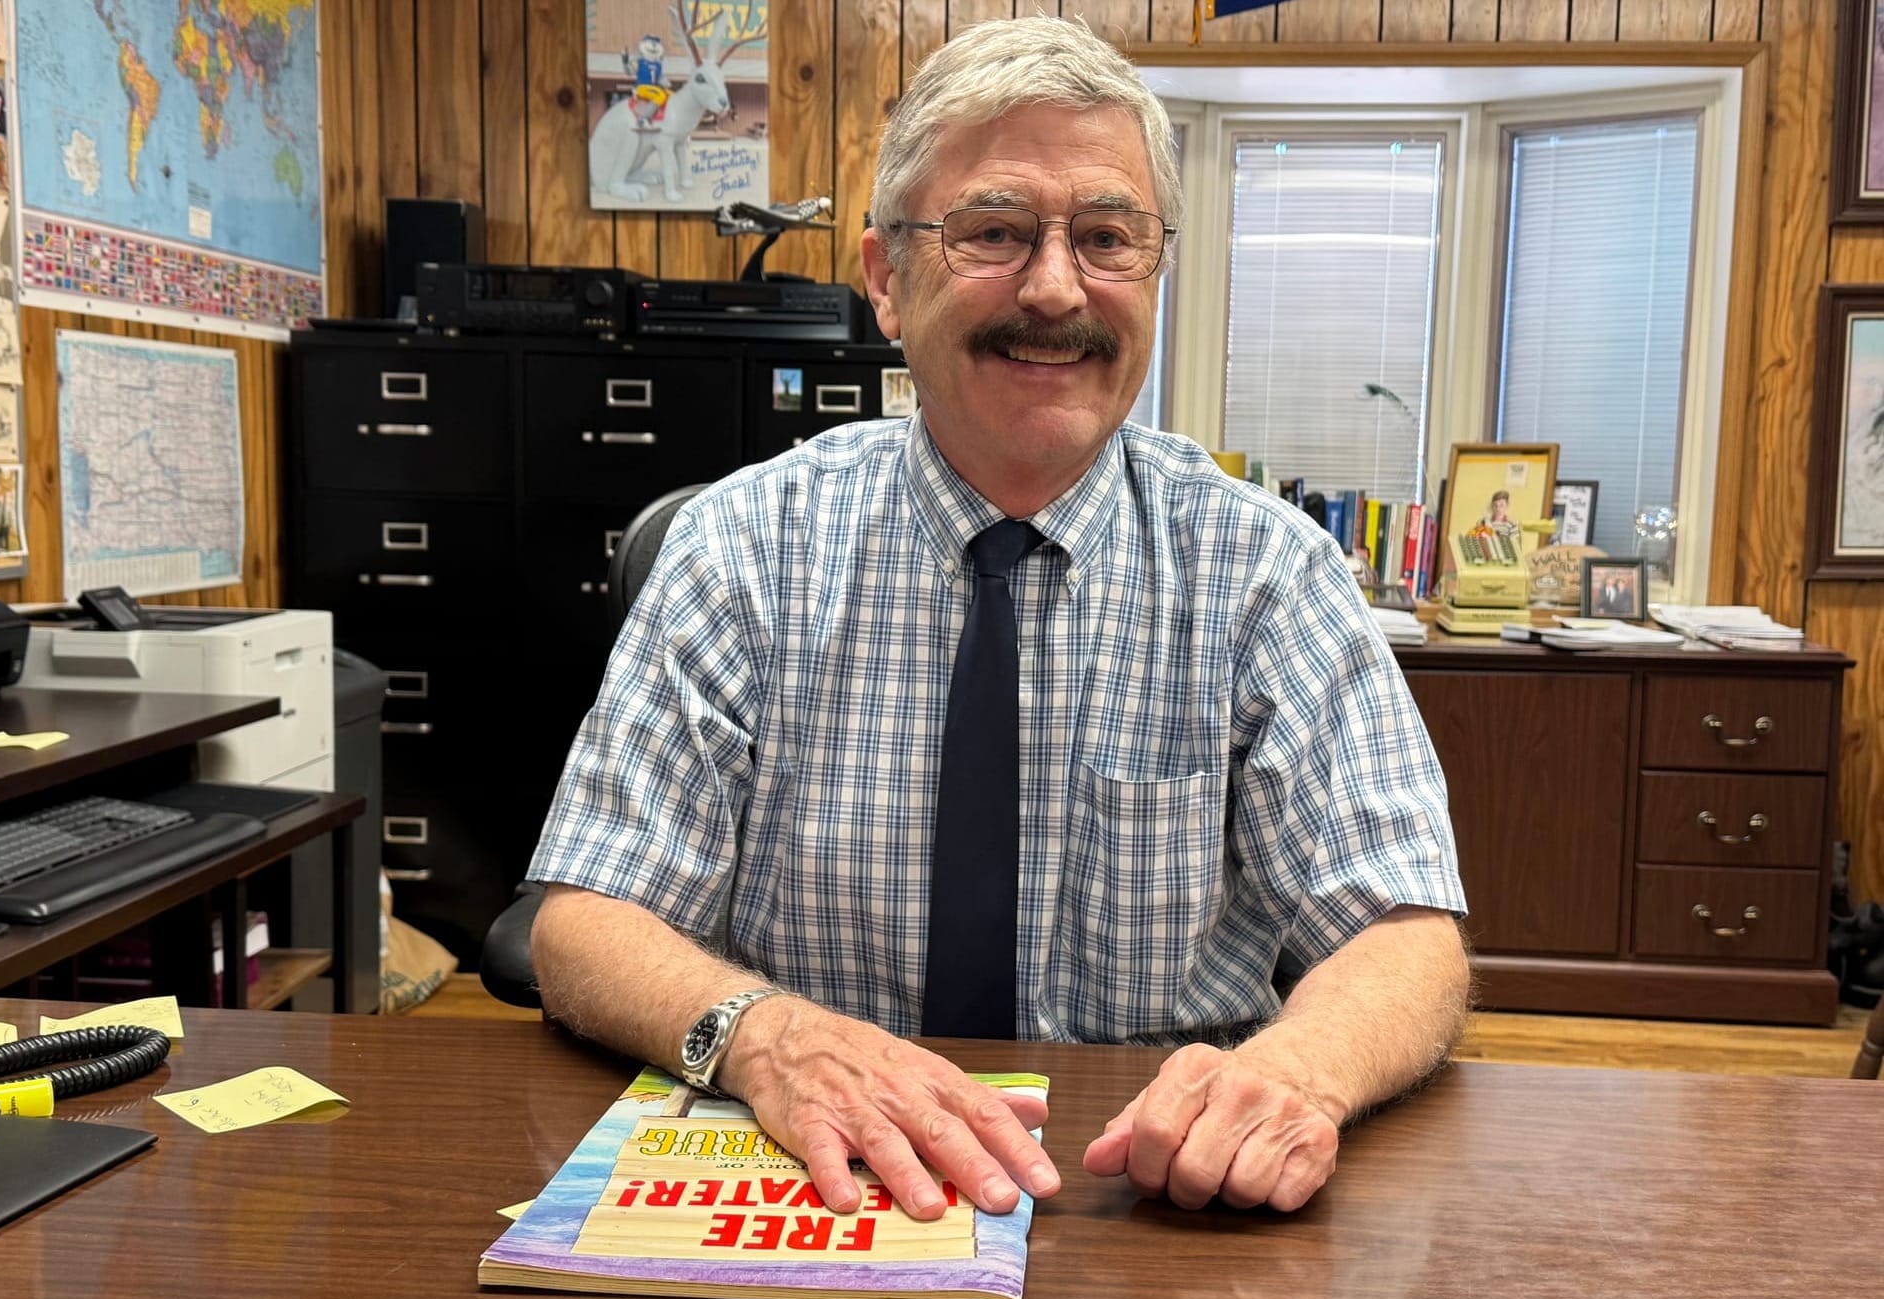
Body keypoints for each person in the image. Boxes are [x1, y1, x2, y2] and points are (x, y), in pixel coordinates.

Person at [529, 16, 1469, 1227]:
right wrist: (766, 1037)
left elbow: (1404, 932)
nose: (1056, 290)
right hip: (819, 1176)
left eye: (1108, 237)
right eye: (994, 231)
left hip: (1146, 1194)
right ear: (884, 278)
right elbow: (584, 919)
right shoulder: (742, 549)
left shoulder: (1266, 573)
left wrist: (1292, 1074)